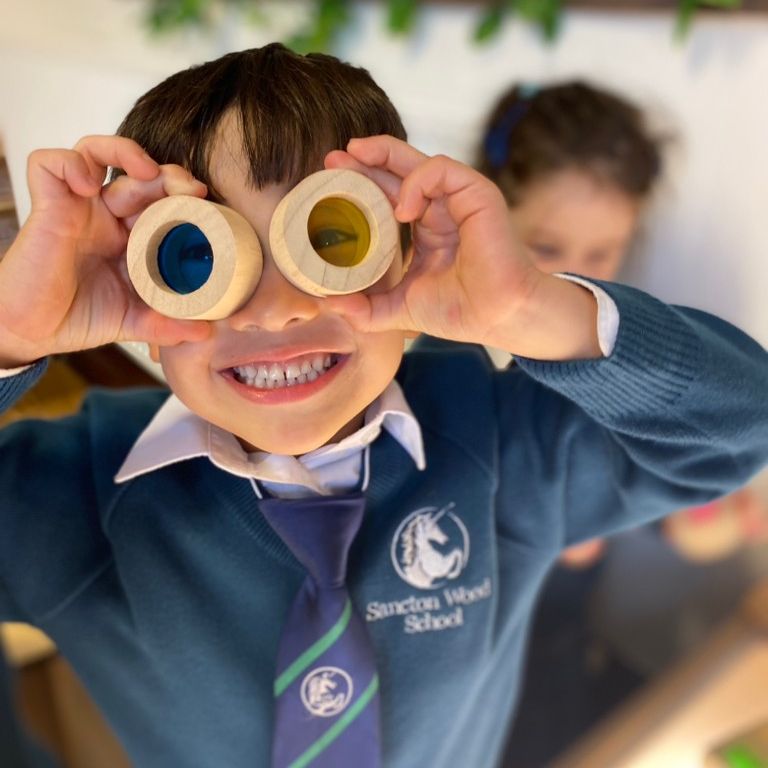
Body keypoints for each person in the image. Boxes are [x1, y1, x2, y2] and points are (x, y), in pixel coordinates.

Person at [0, 45, 767, 768]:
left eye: (330, 242)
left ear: (404, 250)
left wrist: (530, 308)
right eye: (197, 257)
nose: (276, 312)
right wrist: (9, 336)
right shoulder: (83, 492)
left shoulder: (497, 440)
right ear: (137, 282)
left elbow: (740, 426)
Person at [477, 80, 768, 766]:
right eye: (547, 248)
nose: (573, 280)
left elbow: (688, 526)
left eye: (603, 255)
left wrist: (716, 516)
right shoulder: (451, 369)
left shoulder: (609, 362)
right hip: (483, 688)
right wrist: (544, 534)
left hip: (569, 661)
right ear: (482, 210)